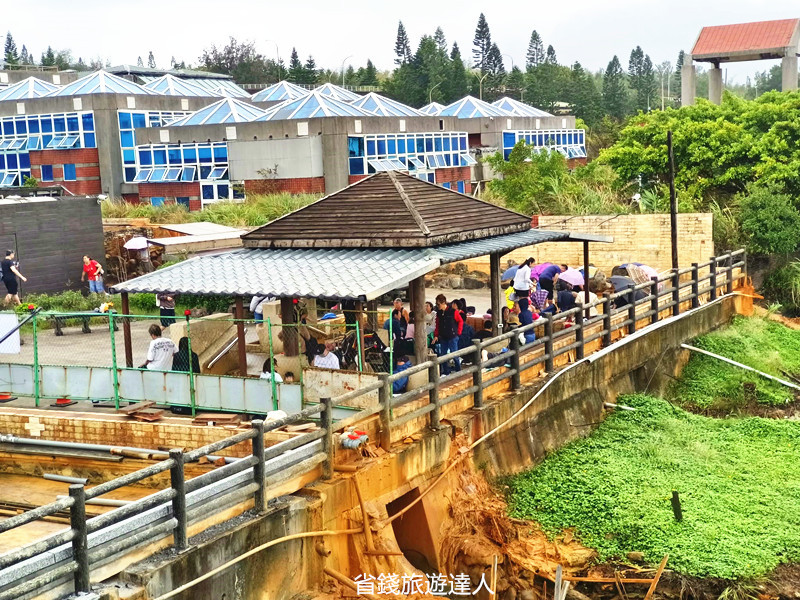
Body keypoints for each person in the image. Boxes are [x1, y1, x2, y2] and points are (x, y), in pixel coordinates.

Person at [433, 294, 463, 375]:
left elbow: (460, 321)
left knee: (454, 354)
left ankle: (458, 370)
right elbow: (437, 324)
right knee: (443, 355)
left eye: (438, 304)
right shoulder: (439, 313)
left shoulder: (453, 311)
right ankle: (446, 371)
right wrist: (436, 335)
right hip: (443, 336)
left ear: (443, 303)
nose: (437, 306)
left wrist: (458, 332)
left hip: (453, 335)